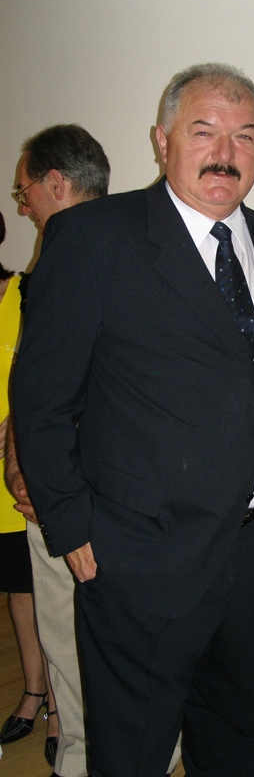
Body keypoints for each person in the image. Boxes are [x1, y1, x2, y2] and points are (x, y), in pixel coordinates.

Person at [12, 63, 254, 777]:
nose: (225, 153)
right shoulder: (92, 238)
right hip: (137, 556)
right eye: (203, 131)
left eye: (246, 136)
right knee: (132, 751)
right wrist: (69, 523)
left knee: (234, 741)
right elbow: (42, 398)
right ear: (162, 140)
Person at [6, 124, 110, 777]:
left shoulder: (76, 252)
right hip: (83, 491)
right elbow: (39, 378)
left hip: (77, 497)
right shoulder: (131, 242)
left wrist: (34, 468)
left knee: (76, 647)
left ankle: (83, 761)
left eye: (25, 193)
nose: (24, 208)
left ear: (56, 183)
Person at [0, 211, 59, 762]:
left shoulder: (26, 290)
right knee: (18, 588)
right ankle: (33, 690)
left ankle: (60, 710)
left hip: (22, 463)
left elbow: (40, 375)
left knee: (42, 588)